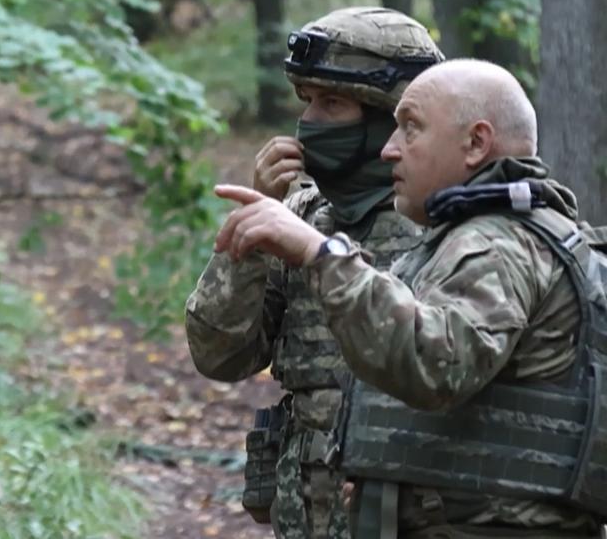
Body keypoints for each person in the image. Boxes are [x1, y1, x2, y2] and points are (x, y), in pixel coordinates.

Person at [212, 59, 605, 537]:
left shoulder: (498, 244)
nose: (389, 151)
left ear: (476, 143)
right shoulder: (480, 237)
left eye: (410, 129)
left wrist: (321, 254)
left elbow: (435, 363)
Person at [186, 7, 442, 538]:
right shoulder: (300, 214)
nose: (309, 124)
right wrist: (253, 233)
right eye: (306, 103)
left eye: (332, 103)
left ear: (388, 116)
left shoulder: (446, 226)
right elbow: (220, 355)